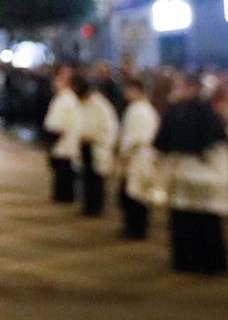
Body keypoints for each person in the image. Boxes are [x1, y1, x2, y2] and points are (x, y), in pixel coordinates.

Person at [154, 73, 228, 275]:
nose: (176, 91)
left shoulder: (187, 112)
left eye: (180, 87)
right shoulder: (203, 112)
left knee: (192, 219)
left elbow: (164, 141)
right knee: (198, 220)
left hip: (191, 171)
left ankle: (190, 260)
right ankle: (203, 262)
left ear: (192, 89)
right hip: (188, 172)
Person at [116, 79, 160, 240]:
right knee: (133, 193)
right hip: (137, 156)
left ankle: (137, 229)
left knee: (138, 194)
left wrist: (124, 154)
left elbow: (136, 137)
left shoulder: (140, 110)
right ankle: (131, 227)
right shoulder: (139, 109)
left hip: (139, 157)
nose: (126, 94)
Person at [77, 77, 119, 218]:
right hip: (85, 145)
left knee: (96, 179)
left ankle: (96, 207)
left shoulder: (101, 106)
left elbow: (108, 128)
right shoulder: (86, 104)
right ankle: (88, 205)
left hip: (96, 146)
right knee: (87, 177)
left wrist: (93, 137)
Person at [43, 66, 81, 204]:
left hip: (64, 140)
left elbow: (59, 122)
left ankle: (65, 197)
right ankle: (61, 195)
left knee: (65, 171)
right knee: (60, 171)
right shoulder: (61, 98)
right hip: (60, 140)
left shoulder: (67, 99)